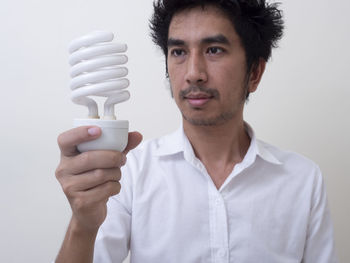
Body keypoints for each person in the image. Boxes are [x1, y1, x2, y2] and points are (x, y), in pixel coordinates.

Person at [55, 0, 338, 262]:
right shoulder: (127, 173)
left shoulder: (302, 180)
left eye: (214, 50)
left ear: (254, 73)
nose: (193, 73)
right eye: (178, 51)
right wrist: (83, 223)